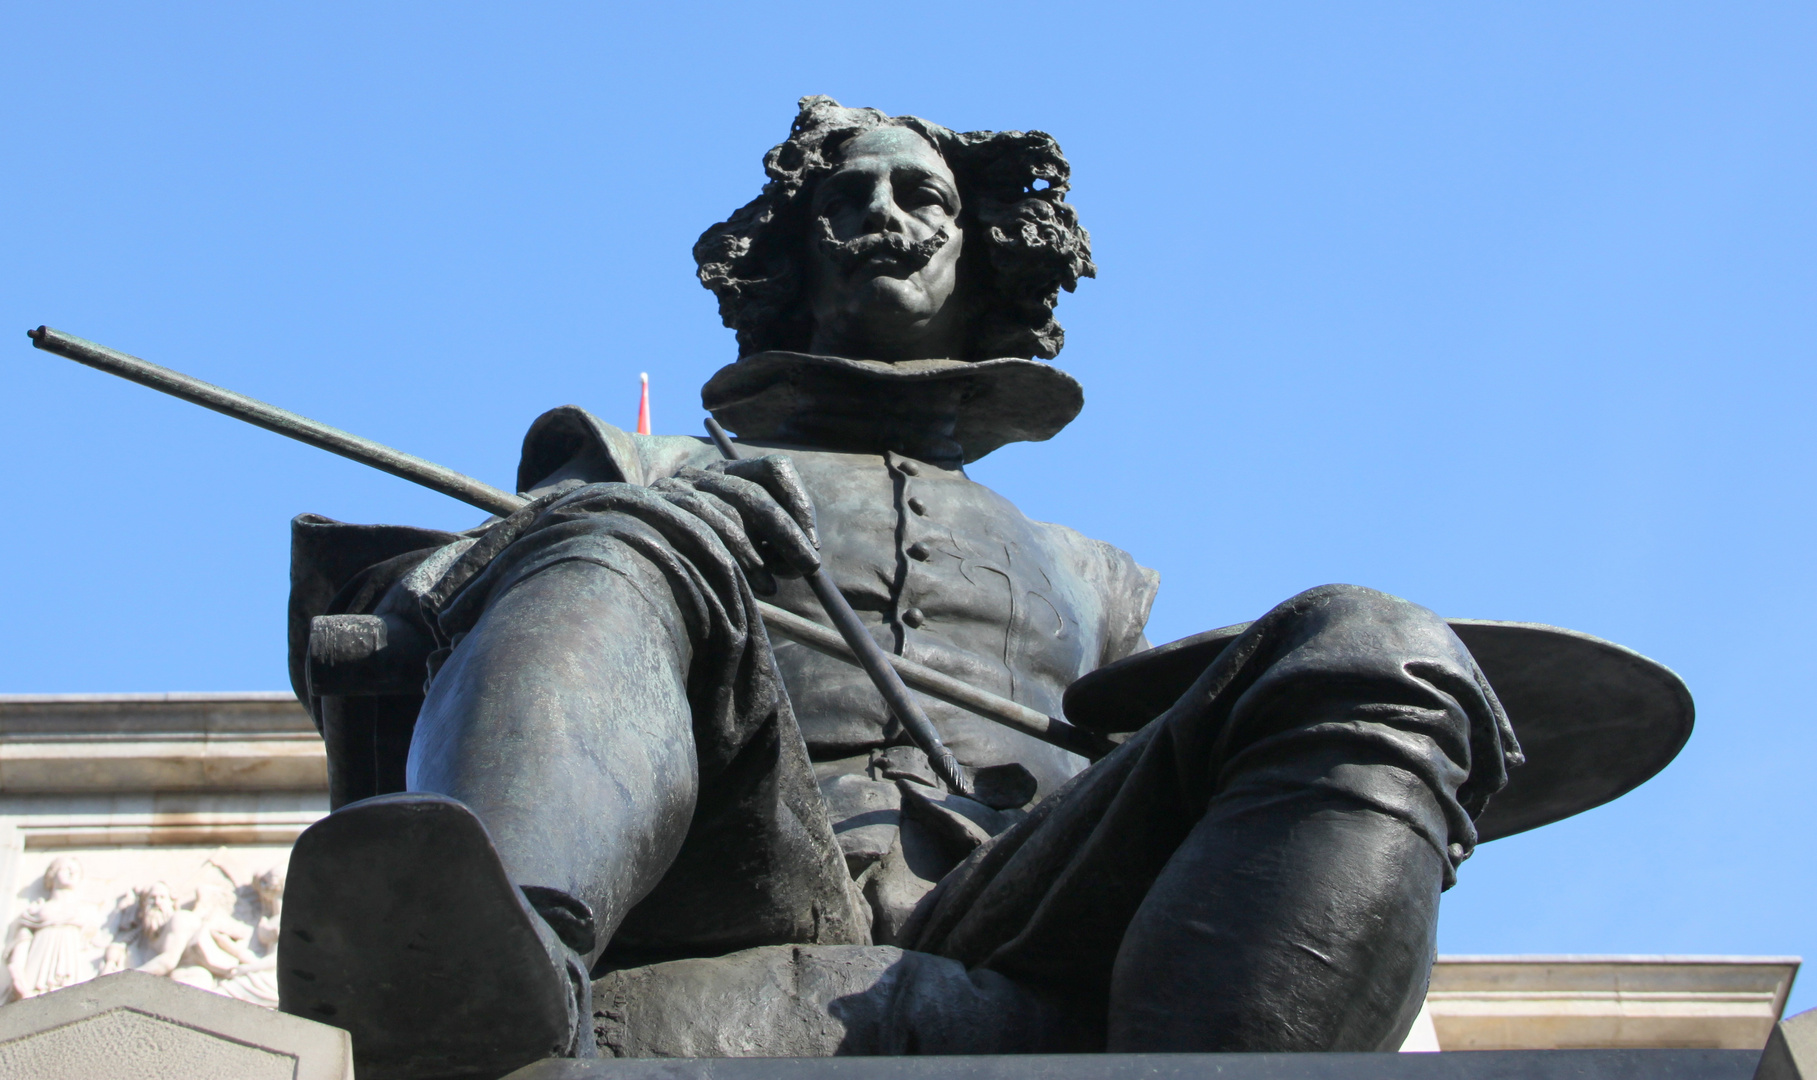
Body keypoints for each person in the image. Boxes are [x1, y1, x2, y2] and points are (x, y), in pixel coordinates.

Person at [282, 97, 1518, 1079]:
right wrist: (663, 518)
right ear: (792, 257)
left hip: (1007, 891)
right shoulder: (641, 461)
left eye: (916, 192)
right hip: (738, 855)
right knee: (619, 533)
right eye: (845, 197)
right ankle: (507, 963)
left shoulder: (1098, 576)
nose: (882, 211)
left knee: (1374, 643)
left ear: (980, 254)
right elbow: (410, 618)